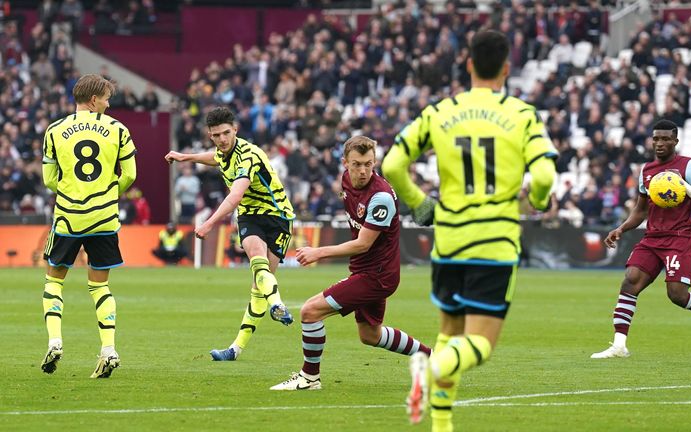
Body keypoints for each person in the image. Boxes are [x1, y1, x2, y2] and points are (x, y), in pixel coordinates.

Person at [381, 30, 558, 431]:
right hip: (493, 242)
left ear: (469, 65)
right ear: (507, 69)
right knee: (479, 344)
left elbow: (392, 165)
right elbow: (545, 174)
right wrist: (541, 201)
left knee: (450, 331)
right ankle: (427, 372)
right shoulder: (522, 114)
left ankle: (442, 426)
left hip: (448, 238)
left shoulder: (440, 111)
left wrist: (421, 204)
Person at [270, 136, 432, 391]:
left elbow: (363, 244)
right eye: (357, 164)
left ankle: (309, 378)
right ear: (345, 163)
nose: (363, 170)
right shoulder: (346, 181)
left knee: (310, 311)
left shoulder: (381, 197)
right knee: (371, 335)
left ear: (375, 161)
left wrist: (318, 252)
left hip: (376, 276)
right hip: (368, 270)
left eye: (368, 164)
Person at [591, 119, 691, 359]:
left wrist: (687, 188)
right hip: (652, 237)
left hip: (680, 236)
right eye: (656, 139)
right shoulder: (647, 171)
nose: (659, 143)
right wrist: (621, 229)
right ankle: (619, 345)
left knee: (677, 295)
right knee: (630, 281)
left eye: (665, 139)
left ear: (675, 141)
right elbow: (641, 210)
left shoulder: (687, 167)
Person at [164, 106, 295, 361]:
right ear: (210, 135)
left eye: (226, 133)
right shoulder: (223, 150)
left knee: (259, 287)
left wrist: (209, 223)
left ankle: (236, 348)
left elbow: (235, 195)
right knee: (256, 257)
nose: (222, 139)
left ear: (235, 129)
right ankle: (277, 304)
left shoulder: (249, 155)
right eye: (216, 135)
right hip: (250, 215)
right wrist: (186, 157)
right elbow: (215, 158)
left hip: (278, 217)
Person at [40, 74, 137, 378]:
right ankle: (108, 349)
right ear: (94, 100)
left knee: (54, 281)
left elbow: (48, 180)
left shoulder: (54, 130)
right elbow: (130, 175)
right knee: (99, 286)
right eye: (107, 98)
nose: (109, 104)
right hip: (104, 217)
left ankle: (55, 341)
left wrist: (71, 191)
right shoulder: (119, 130)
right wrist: (109, 192)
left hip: (68, 217)